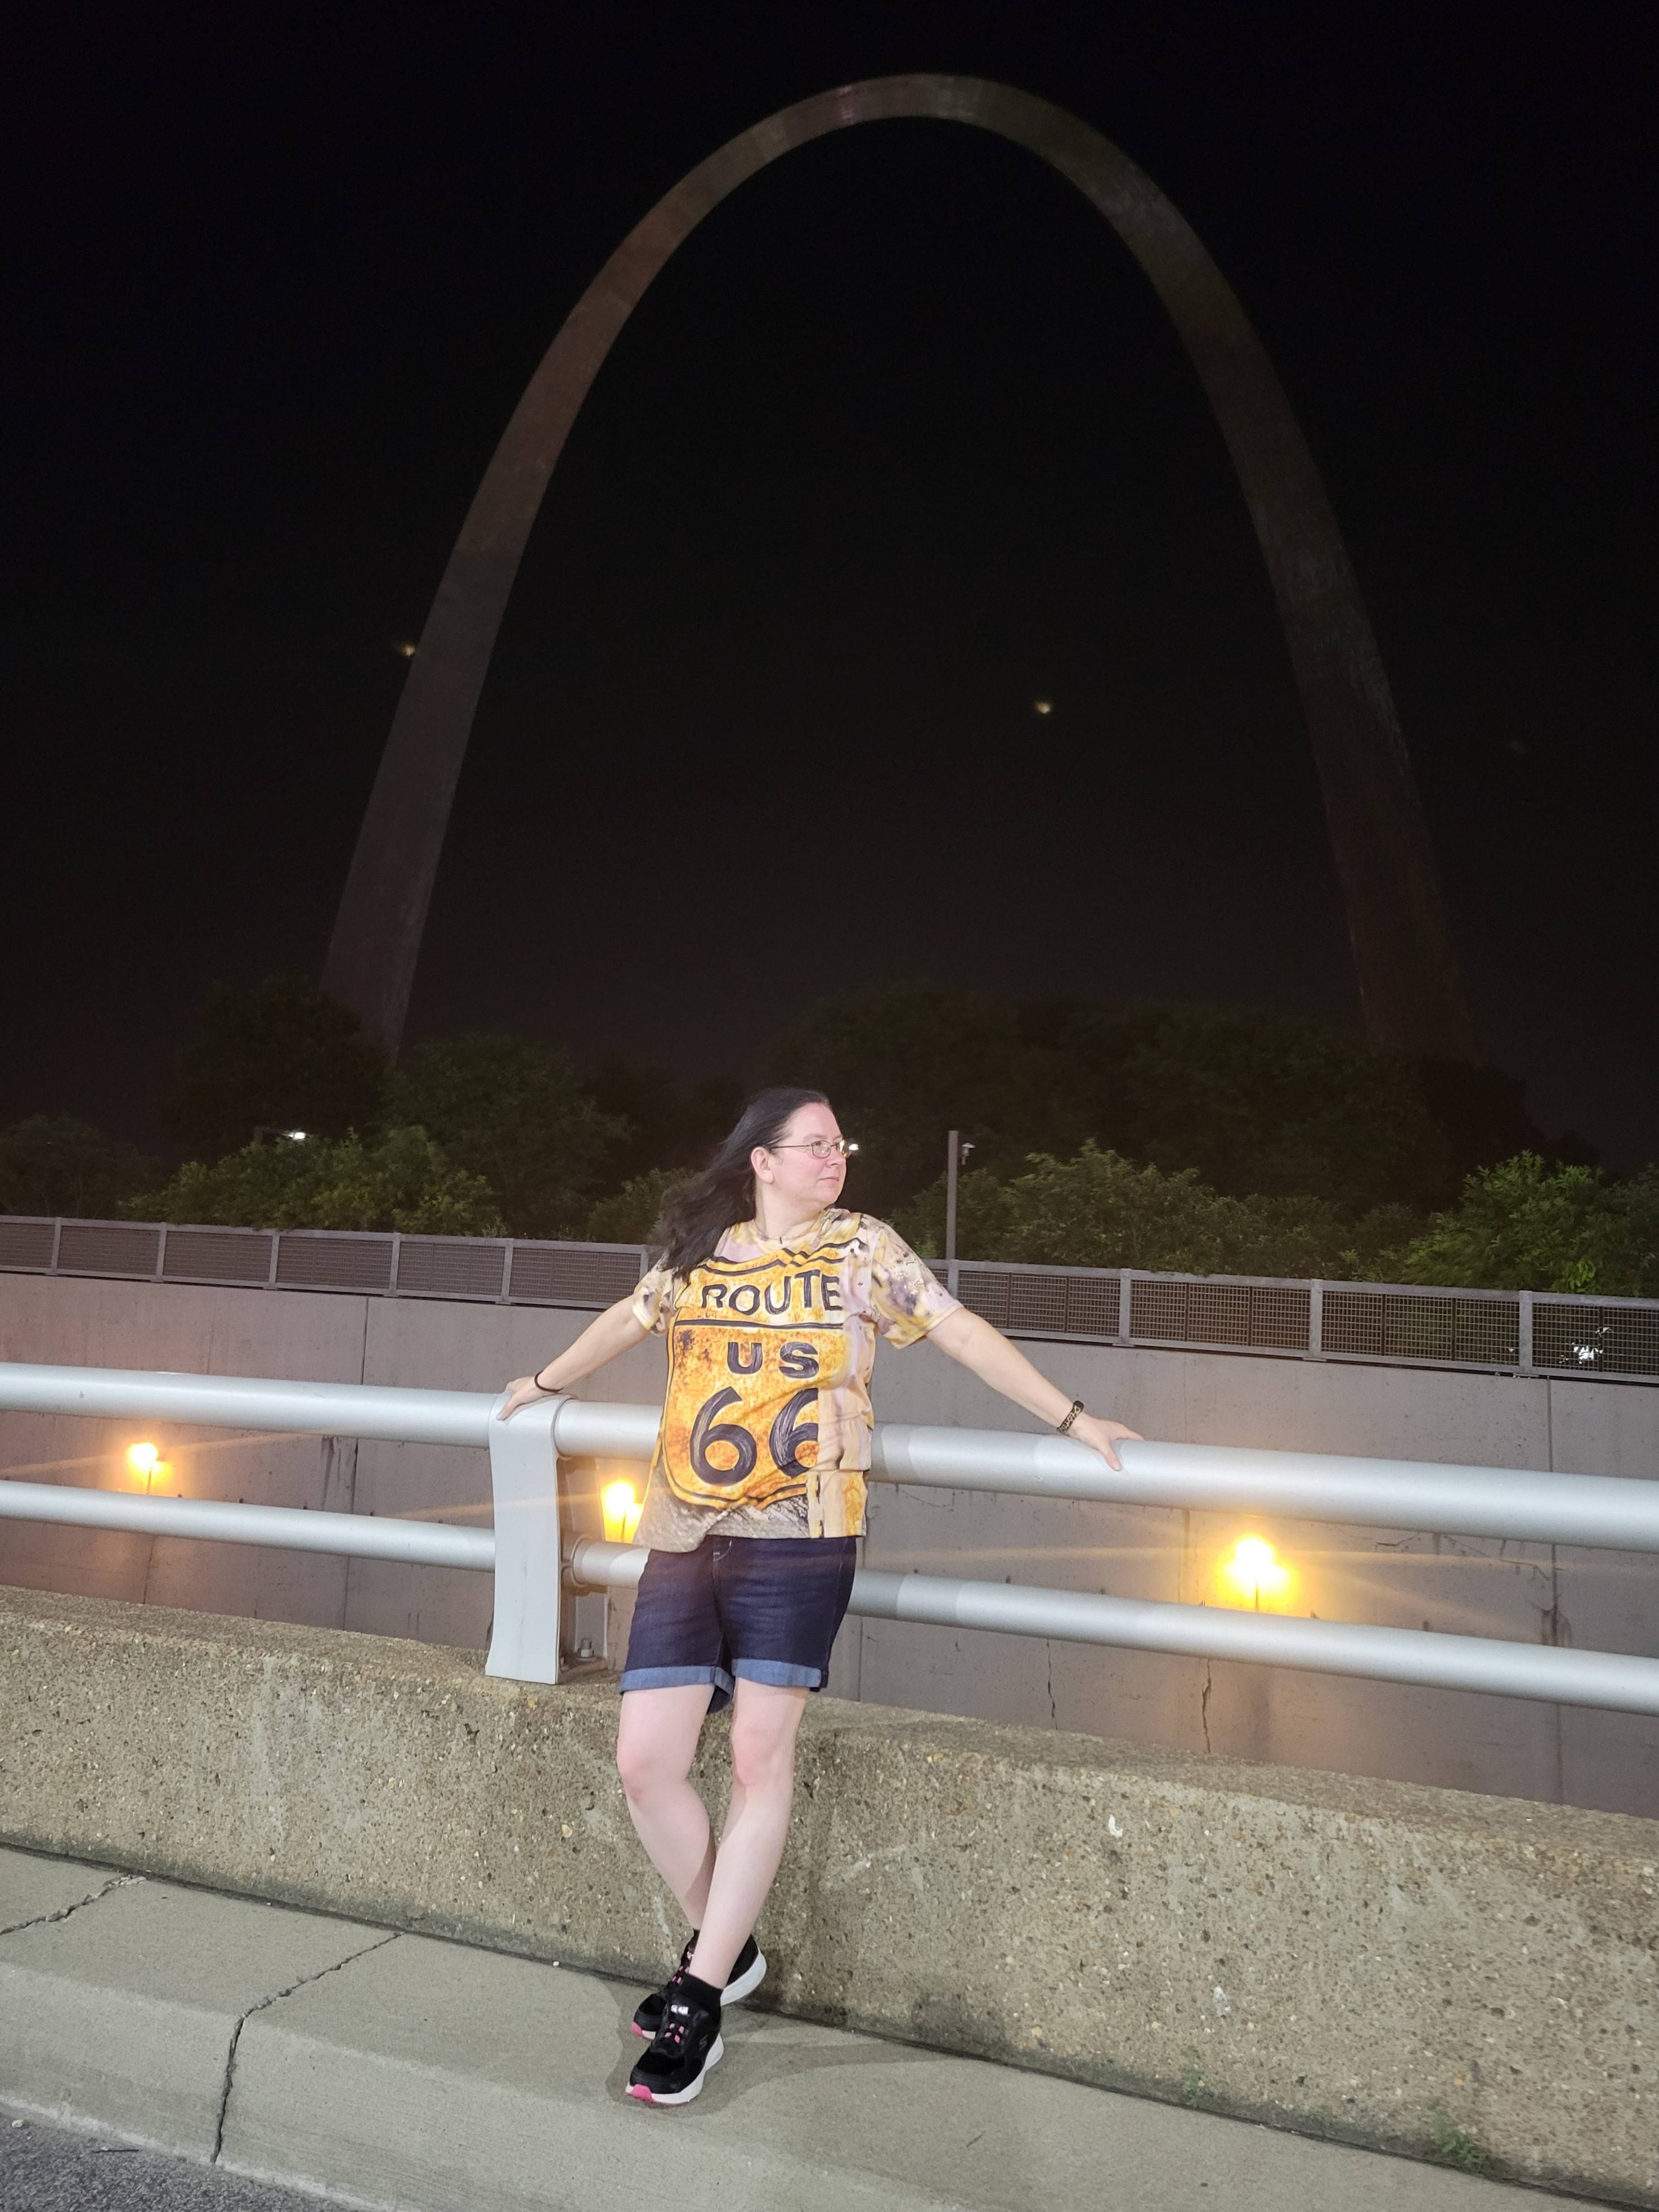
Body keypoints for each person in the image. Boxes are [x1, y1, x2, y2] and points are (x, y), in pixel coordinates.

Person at [499, 1087, 1140, 2106]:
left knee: (759, 1758)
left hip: (802, 1533)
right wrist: (540, 1383)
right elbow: (628, 1319)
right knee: (645, 1764)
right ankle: (729, 1950)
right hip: (683, 1527)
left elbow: (960, 1331)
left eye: (842, 1145)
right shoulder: (704, 1250)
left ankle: (698, 1997)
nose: (836, 1158)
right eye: (815, 1145)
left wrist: (1073, 1418)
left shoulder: (863, 1247)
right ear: (762, 1159)